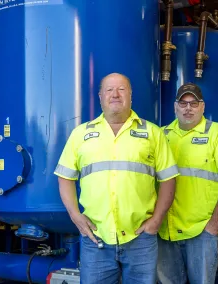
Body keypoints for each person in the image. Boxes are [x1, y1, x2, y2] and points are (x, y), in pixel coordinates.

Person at [54, 73, 179, 284]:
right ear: (100, 96)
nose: (115, 94)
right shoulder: (80, 134)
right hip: (96, 238)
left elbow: (169, 179)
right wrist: (75, 216)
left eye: (121, 89)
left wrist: (156, 219)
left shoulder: (153, 134)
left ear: (131, 96)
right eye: (109, 90)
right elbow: (65, 177)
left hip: (140, 238)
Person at [156, 83, 218, 284]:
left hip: (201, 231)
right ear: (175, 107)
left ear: (203, 107)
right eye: (183, 103)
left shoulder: (216, 133)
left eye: (194, 103)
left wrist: (214, 225)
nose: (188, 108)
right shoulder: (161, 135)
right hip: (166, 230)